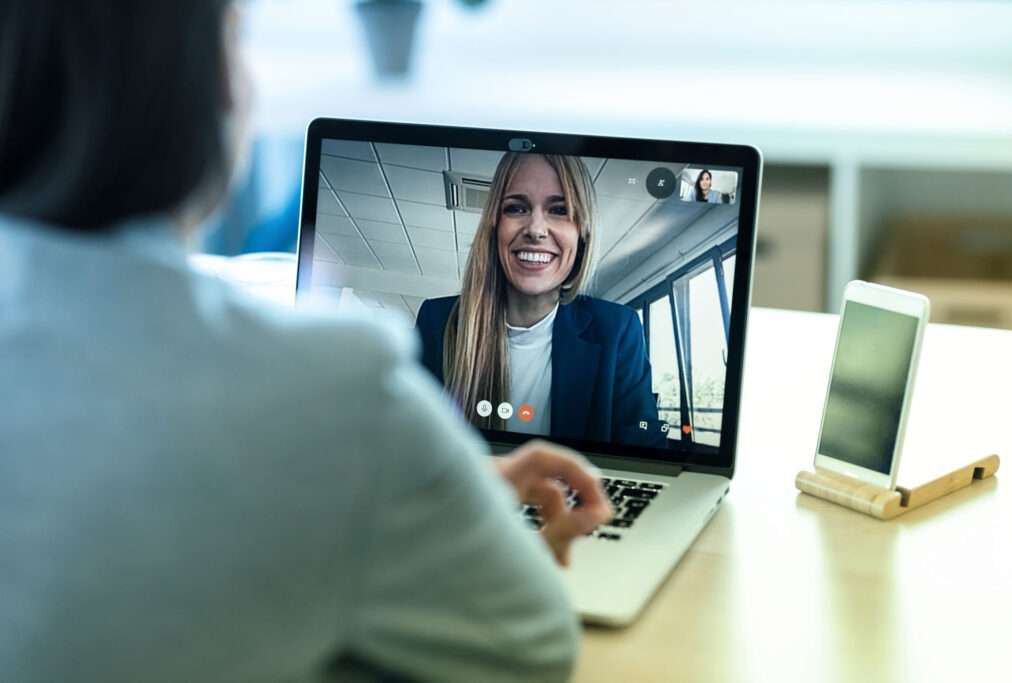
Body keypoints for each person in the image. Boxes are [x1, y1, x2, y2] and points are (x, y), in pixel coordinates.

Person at [0, 2, 612, 682]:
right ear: (219, 86)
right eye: (237, 40)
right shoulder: (341, 390)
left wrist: (420, 493)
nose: (536, 229)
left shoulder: (605, 334)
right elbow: (529, 647)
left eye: (559, 210)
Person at [416, 153, 666, 448]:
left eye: (559, 210)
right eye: (516, 208)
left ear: (582, 232)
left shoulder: (617, 329)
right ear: (495, 225)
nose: (535, 229)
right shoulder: (437, 321)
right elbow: (410, 446)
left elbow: (644, 446)